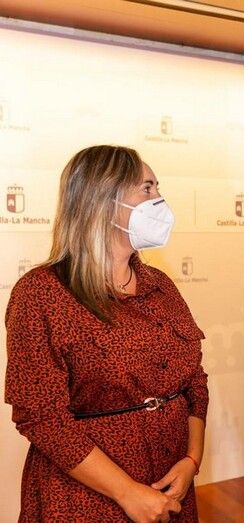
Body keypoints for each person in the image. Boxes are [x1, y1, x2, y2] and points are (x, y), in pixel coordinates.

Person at [5, 145, 208, 522]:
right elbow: (41, 416)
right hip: (86, 499)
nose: (159, 199)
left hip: (171, 490)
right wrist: (127, 492)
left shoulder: (160, 285)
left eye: (158, 187)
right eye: (147, 188)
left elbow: (194, 381)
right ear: (102, 198)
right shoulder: (42, 293)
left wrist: (192, 460)